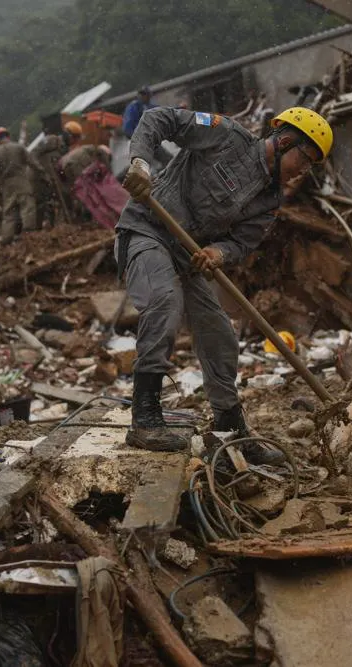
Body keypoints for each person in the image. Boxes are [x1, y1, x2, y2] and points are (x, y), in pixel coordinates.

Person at [116, 106, 333, 459]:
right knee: (164, 302)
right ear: (286, 140)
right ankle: (145, 419)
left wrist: (218, 252)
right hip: (146, 231)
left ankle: (231, 430)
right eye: (304, 160)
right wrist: (140, 161)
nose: (302, 173)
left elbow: (243, 241)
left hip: (185, 256)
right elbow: (158, 119)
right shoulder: (225, 135)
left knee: (220, 334)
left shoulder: (270, 198)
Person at [0, 126, 43, 244]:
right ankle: (29, 235)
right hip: (22, 182)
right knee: (27, 208)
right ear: (8, 136)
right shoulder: (18, 147)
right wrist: (43, 172)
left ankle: (7, 238)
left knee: (9, 214)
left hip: (7, 186)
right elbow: (33, 163)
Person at [62, 144, 128, 229]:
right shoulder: (100, 153)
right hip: (75, 166)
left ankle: (86, 217)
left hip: (67, 168)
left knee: (85, 192)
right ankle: (97, 218)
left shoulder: (86, 151)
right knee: (91, 193)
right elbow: (105, 172)